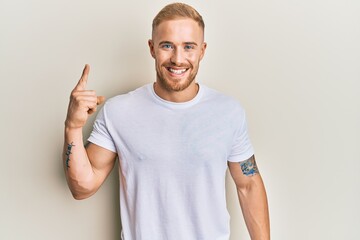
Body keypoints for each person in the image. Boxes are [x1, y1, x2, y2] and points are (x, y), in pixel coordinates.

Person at [63, 3, 270, 240]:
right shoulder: (119, 111)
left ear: (202, 50)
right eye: (167, 46)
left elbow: (249, 184)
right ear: (152, 48)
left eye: (188, 47)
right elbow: (82, 188)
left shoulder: (228, 112)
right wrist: (73, 127)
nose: (177, 59)